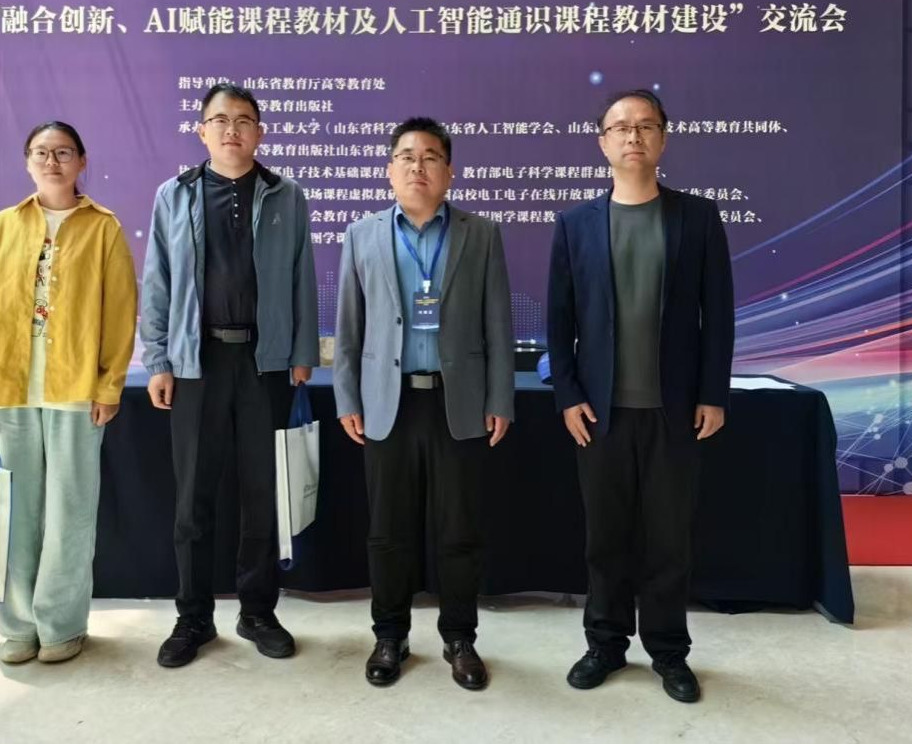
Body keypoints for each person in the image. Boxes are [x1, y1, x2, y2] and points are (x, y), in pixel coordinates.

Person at [547, 89, 734, 703]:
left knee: (668, 539)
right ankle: (604, 643)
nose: (633, 136)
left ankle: (668, 651)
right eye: (621, 127)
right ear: (601, 141)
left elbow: (718, 314)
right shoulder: (575, 224)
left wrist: (712, 392)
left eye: (646, 126)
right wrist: (567, 395)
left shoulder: (697, 217)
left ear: (663, 139)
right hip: (599, 414)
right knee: (605, 538)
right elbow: (559, 320)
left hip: (674, 411)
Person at [333, 117, 515, 691]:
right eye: (407, 157)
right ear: (390, 170)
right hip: (386, 403)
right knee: (388, 532)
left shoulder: (480, 234)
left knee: (459, 530)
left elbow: (499, 324)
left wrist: (501, 397)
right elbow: (349, 327)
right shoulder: (361, 235)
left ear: (449, 172)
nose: (418, 167)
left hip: (457, 403)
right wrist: (347, 398)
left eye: (431, 157)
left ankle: (460, 638)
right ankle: (390, 635)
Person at [142, 82, 319, 669]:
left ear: (259, 132)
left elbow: (302, 276)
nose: (232, 129)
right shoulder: (175, 194)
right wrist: (158, 359)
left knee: (261, 494)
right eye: (219, 120)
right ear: (202, 131)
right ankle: (193, 616)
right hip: (197, 364)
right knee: (193, 497)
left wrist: (301, 352)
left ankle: (258, 611)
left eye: (243, 120)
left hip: (264, 364)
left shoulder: (286, 195)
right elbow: (158, 280)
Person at [0, 121, 138, 665]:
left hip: (76, 390)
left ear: (82, 161)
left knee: (70, 513)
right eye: (41, 152)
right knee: (17, 512)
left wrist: (109, 384)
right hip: (9, 388)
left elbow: (120, 314)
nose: (52, 161)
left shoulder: (104, 227)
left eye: (63, 152)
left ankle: (61, 626)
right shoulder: (3, 226)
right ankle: (17, 625)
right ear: (27, 162)